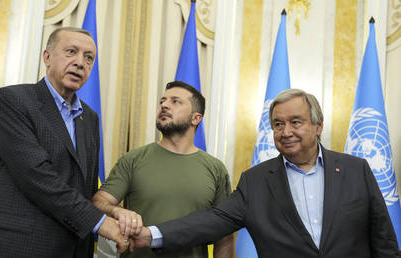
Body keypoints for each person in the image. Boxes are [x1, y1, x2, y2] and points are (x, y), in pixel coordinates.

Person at [131, 88, 400, 258]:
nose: (286, 132)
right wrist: (151, 234)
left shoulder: (356, 170)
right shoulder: (256, 181)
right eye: (278, 124)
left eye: (296, 122)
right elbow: (211, 220)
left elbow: (384, 241)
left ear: (318, 126)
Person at [0, 27, 128, 258]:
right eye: (71, 52)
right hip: (12, 246)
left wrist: (110, 215)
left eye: (88, 58)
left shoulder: (89, 118)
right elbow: (36, 175)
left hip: (68, 247)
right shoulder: (13, 100)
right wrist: (100, 222)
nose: (80, 63)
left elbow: (86, 188)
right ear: (47, 57)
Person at [93, 81, 234, 258]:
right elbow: (98, 203)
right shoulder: (133, 159)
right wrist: (117, 211)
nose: (164, 105)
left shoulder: (216, 169)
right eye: (162, 101)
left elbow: (224, 235)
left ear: (196, 118)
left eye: (175, 101)